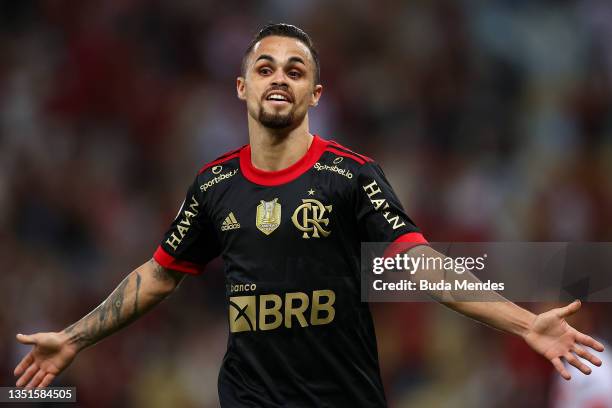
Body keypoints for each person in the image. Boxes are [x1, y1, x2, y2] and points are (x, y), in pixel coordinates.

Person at [14, 23, 604, 407]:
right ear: (241, 87)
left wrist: (525, 324)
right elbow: (160, 273)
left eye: (295, 71)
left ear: (316, 95)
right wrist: (74, 337)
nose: (279, 78)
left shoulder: (352, 176)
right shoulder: (214, 184)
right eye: (266, 68)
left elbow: (423, 267)